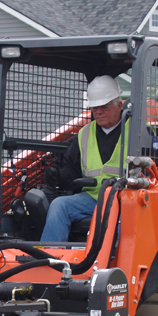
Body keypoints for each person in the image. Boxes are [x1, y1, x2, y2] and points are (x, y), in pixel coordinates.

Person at [40, 75, 127, 242]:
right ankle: (48, 260)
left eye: (104, 106)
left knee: (126, 221)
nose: (99, 112)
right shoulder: (84, 134)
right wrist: (57, 176)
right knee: (59, 205)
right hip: (92, 198)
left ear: (119, 105)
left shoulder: (137, 131)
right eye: (95, 108)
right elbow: (71, 172)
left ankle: (114, 263)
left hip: (125, 200)